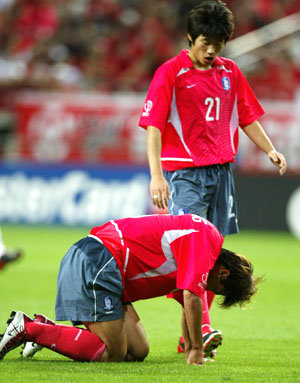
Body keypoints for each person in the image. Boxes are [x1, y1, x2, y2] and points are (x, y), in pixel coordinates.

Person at [138, 0, 287, 354]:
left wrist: (269, 149)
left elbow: (247, 116)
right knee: (193, 249)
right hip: (183, 174)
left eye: (217, 46)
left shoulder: (230, 71)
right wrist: (156, 176)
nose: (210, 51)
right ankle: (202, 329)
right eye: (204, 43)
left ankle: (187, 336)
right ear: (190, 37)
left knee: (211, 253)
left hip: (221, 174)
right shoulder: (170, 73)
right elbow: (153, 128)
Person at [0, 213, 260, 365]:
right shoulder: (207, 242)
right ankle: (29, 328)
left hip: (108, 271)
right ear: (223, 273)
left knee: (138, 352)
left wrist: (192, 344)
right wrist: (196, 352)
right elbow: (193, 296)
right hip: (99, 261)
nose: (210, 292)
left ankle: (47, 330)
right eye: (218, 289)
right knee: (112, 354)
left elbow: (187, 299)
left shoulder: (204, 243)